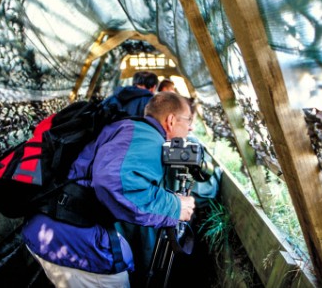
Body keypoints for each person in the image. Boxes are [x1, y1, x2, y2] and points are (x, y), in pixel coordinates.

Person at [22, 92, 196, 288]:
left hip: (47, 225)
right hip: (69, 235)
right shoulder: (148, 137)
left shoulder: (127, 127)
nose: (191, 127)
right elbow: (113, 181)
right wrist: (174, 206)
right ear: (171, 120)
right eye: (188, 120)